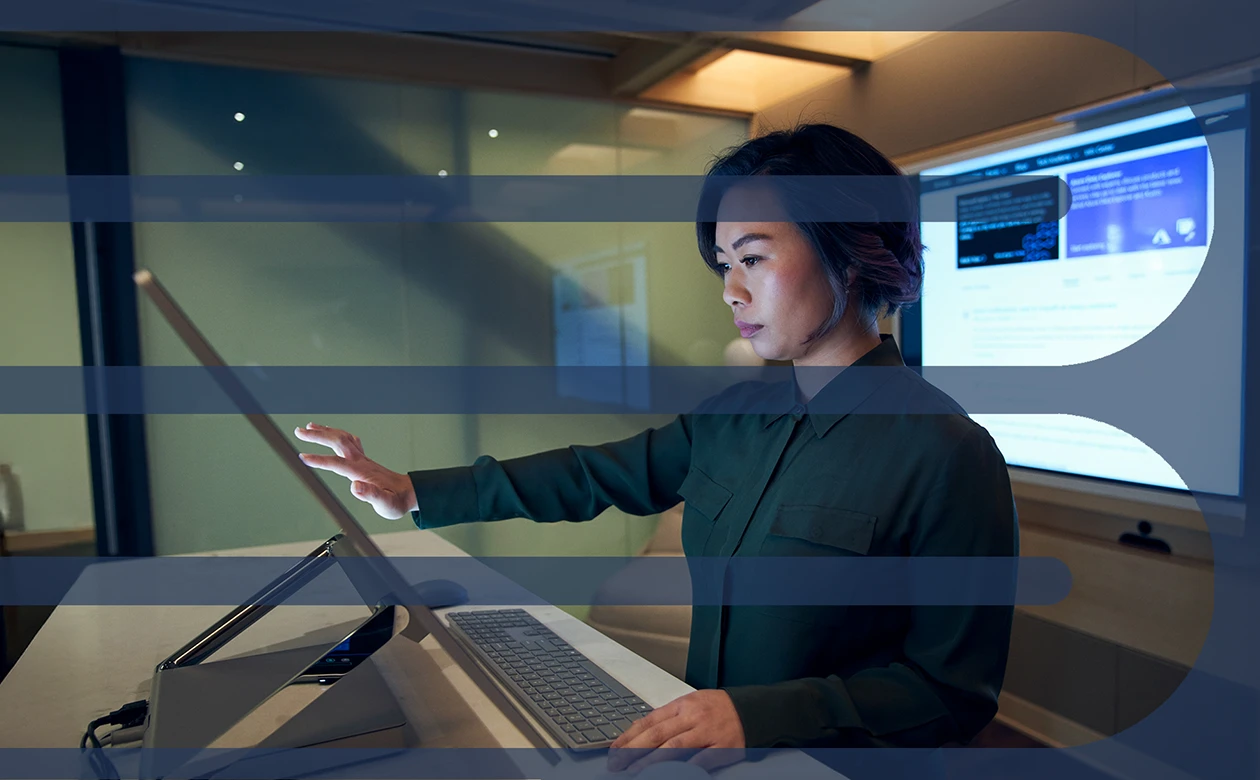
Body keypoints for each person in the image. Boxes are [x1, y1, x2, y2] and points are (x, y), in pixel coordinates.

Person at [295, 124, 1018, 768]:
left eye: (755, 258)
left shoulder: (949, 452)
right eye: (723, 264)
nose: (731, 291)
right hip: (702, 756)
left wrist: (760, 715)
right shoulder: (734, 417)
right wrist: (413, 490)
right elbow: (591, 476)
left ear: (849, 248)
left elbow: (950, 694)